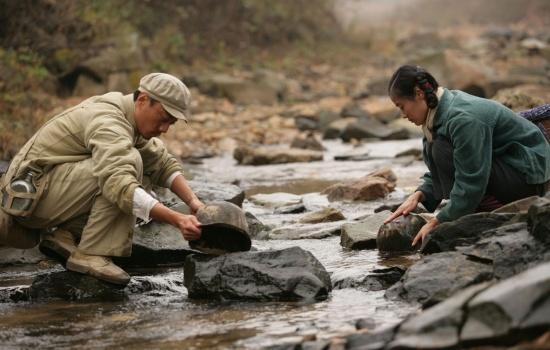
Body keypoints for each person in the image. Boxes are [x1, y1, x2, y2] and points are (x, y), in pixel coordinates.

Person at [0, 73, 204, 285]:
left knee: (139, 165)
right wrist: (177, 220)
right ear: (143, 99)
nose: (164, 129)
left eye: (171, 123)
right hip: (28, 202)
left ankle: (66, 238)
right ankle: (91, 254)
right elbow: (119, 184)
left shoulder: (130, 118)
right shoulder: (109, 120)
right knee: (127, 166)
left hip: (49, 193)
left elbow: (160, 162)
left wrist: (193, 201)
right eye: (162, 118)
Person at [383, 64, 550, 248]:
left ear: (418, 93)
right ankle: (475, 205)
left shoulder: (461, 118)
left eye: (402, 106)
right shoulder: (435, 116)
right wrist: (419, 195)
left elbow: (471, 178)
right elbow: (441, 169)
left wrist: (439, 221)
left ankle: (491, 208)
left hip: (528, 176)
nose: (403, 115)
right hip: (507, 167)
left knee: (441, 149)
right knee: (438, 148)